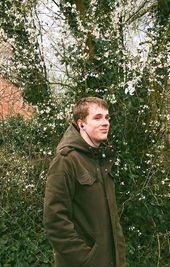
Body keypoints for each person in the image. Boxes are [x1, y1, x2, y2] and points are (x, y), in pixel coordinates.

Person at [43, 96, 126, 267]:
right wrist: (85, 260)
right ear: (81, 124)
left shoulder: (103, 160)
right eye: (97, 117)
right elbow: (55, 221)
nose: (105, 122)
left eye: (106, 117)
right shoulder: (66, 160)